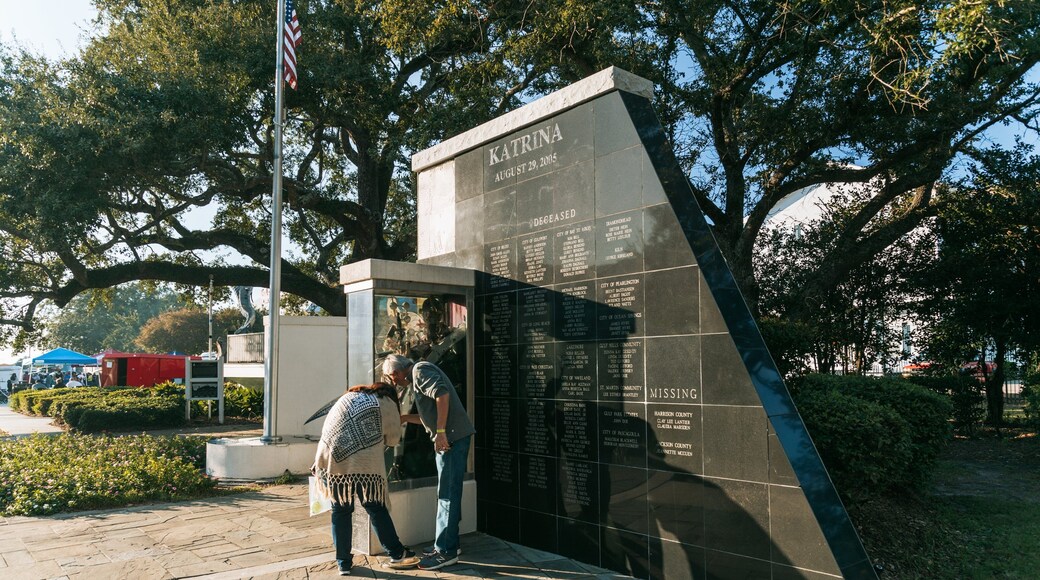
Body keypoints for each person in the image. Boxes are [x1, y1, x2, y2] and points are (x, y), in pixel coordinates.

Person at [311, 382, 420, 576]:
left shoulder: (347, 397)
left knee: (340, 510)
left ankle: (343, 563)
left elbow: (328, 429)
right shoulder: (384, 402)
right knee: (375, 507)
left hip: (331, 460)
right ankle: (397, 553)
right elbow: (393, 439)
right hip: (363, 464)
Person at [382, 354, 475, 571]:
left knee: (447, 495)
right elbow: (429, 416)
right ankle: (449, 544)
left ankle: (446, 552)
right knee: (448, 493)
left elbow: (442, 395)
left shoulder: (420, 370)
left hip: (451, 439)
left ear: (396, 372)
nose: (392, 382)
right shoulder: (417, 375)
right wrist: (405, 419)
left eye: (390, 377)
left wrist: (441, 432)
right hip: (452, 438)